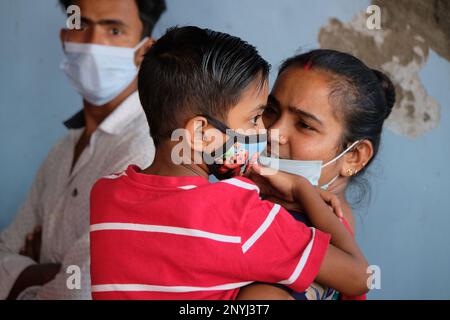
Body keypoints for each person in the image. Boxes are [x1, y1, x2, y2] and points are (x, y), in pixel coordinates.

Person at [89, 26, 370, 300]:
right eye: (254, 118)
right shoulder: (241, 216)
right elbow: (359, 278)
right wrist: (300, 189)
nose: (264, 132)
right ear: (201, 134)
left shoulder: (105, 195)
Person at [0, 0, 166, 300]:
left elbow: (82, 290)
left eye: (114, 30)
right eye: (81, 25)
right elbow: (5, 249)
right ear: (65, 36)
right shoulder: (62, 150)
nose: (93, 44)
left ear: (146, 51)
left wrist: (30, 275)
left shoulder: (149, 150)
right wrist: (47, 273)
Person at [237, 49, 396, 300]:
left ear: (354, 157)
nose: (273, 133)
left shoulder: (293, 240)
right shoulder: (332, 229)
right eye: (270, 110)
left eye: (304, 125)